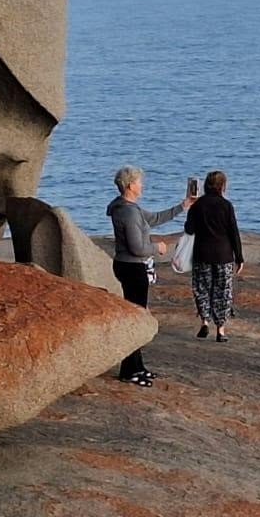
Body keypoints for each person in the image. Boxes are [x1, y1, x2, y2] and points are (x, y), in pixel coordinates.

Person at [106, 165, 194, 386]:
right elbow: (137, 247)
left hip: (128, 266)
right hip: (132, 268)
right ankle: (129, 370)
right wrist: (158, 248)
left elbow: (153, 219)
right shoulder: (128, 212)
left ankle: (137, 366)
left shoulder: (127, 208)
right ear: (130, 185)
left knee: (136, 316)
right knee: (136, 319)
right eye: (139, 182)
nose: (142, 185)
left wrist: (182, 207)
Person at [184, 169, 244, 341]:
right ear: (222, 186)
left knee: (202, 289)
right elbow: (234, 232)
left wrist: (191, 208)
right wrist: (239, 257)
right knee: (223, 292)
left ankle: (204, 321)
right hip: (223, 255)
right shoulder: (226, 206)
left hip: (202, 254)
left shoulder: (198, 206)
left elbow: (189, 229)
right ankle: (221, 330)